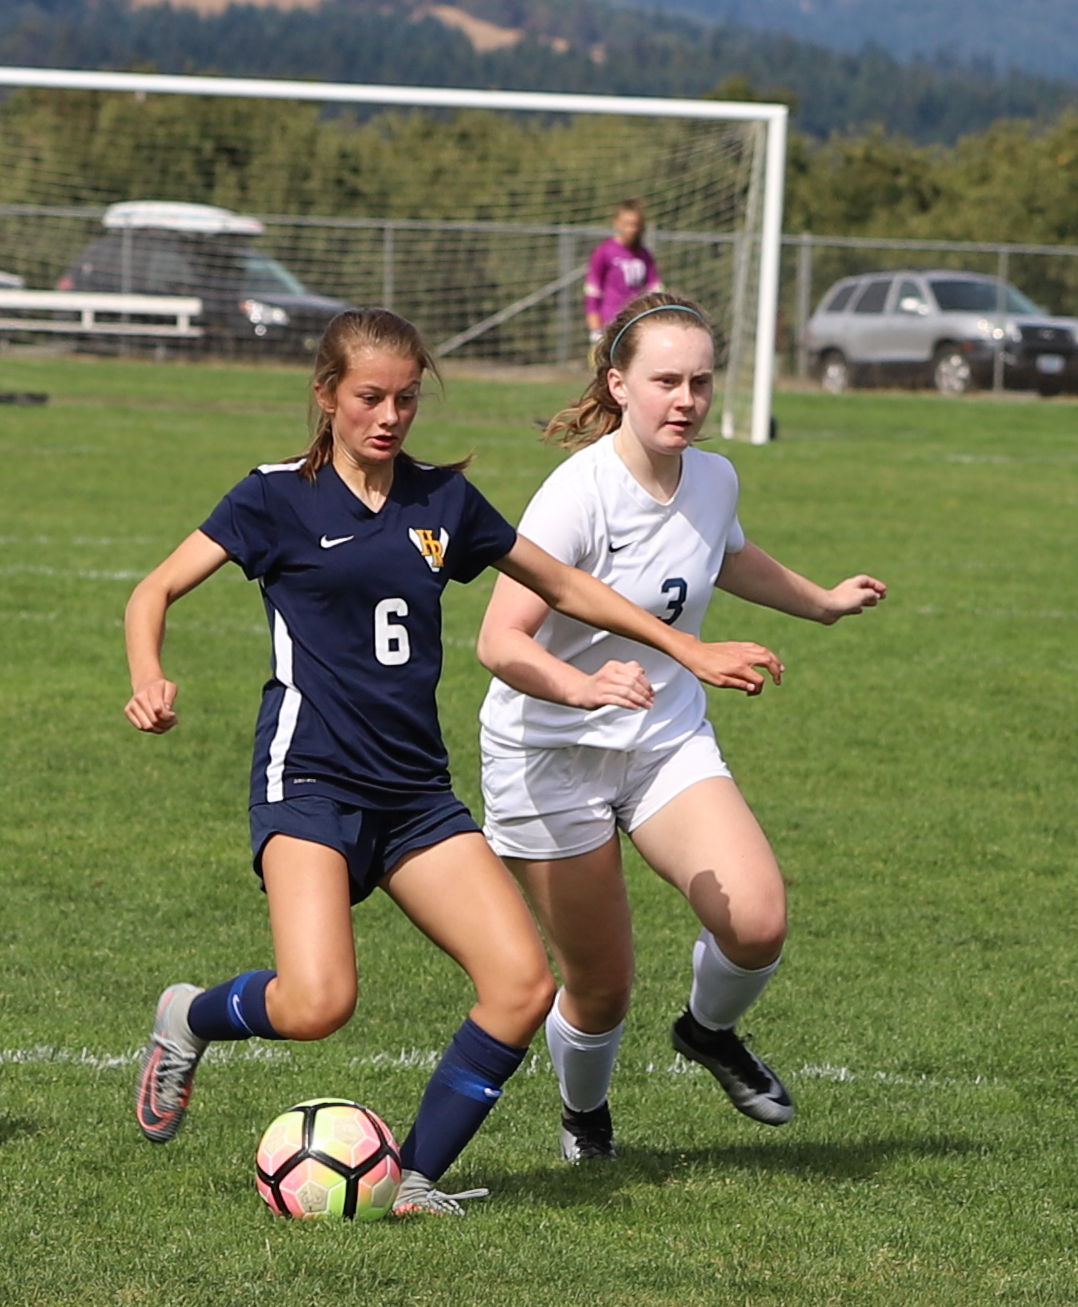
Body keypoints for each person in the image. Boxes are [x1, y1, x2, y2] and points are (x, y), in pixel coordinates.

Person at [123, 306, 784, 1215]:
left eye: (405, 399)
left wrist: (685, 648)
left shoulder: (441, 500)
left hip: (415, 794)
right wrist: (148, 676)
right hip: (310, 781)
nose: (389, 417)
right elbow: (154, 589)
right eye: (369, 398)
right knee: (317, 1004)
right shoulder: (272, 497)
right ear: (326, 395)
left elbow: (564, 585)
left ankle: (415, 1178)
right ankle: (187, 1017)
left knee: (521, 986)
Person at [477, 292, 887, 1162]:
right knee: (600, 987)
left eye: (700, 381)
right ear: (617, 384)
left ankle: (706, 1031)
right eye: (666, 381)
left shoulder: (713, 476)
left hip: (663, 741)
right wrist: (584, 687)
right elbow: (498, 642)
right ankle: (585, 1118)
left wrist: (820, 603)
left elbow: (724, 554)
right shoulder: (576, 495)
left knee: (757, 921)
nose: (686, 399)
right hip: (549, 756)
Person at [583, 199, 663, 353]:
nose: (631, 229)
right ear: (616, 223)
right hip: (610, 326)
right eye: (626, 224)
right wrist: (595, 330)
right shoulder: (604, 251)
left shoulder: (644, 254)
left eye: (635, 224)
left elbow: (655, 288)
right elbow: (592, 293)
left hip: (636, 323)